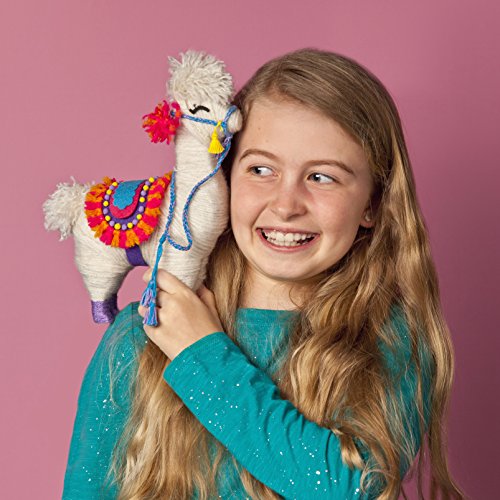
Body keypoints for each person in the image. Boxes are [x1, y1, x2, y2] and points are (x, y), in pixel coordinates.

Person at [62, 48, 465, 499]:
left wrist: (200, 354)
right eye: (261, 169)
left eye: (322, 177)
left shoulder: (390, 340)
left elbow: (352, 488)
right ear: (224, 178)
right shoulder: (142, 335)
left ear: (371, 204)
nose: (286, 205)